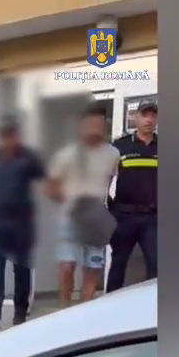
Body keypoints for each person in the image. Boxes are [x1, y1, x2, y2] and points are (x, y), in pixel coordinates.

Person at [46, 105, 120, 308]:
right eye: (91, 124)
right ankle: (65, 307)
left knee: (93, 266)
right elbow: (51, 187)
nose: (95, 128)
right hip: (70, 218)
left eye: (99, 124)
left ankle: (86, 309)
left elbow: (112, 182)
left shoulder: (113, 154)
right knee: (67, 265)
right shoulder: (67, 155)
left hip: (97, 218)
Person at [0, 114, 46, 332]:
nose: (7, 139)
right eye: (4, 135)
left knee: (22, 268)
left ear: (17, 135)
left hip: (21, 222)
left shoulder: (29, 158)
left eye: (11, 134)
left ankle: (20, 313)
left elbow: (44, 180)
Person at [107, 101, 158, 292]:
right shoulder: (120, 146)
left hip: (152, 218)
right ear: (136, 117)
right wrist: (110, 209)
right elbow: (105, 178)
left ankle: (152, 306)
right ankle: (110, 304)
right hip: (124, 216)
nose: (149, 120)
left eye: (153, 115)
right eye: (145, 115)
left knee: (157, 264)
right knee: (118, 263)